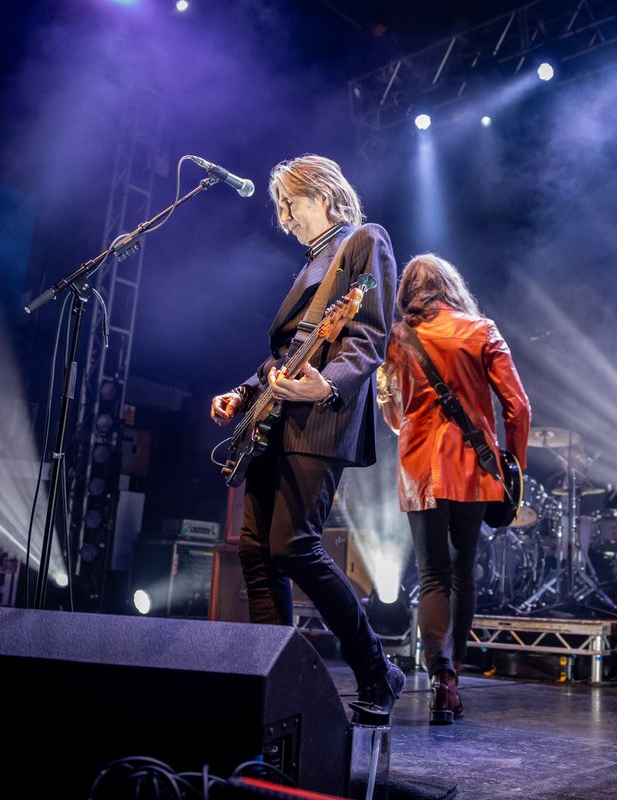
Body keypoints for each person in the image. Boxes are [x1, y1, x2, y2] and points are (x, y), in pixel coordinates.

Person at [210, 154, 405, 715]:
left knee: (292, 544)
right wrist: (243, 391)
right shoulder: (309, 266)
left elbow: (369, 335)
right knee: (254, 549)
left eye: (289, 204)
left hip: (322, 416)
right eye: (279, 208)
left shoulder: (365, 240)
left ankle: (376, 672)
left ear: (323, 195)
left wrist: (326, 386)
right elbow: (285, 353)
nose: (284, 219)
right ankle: (277, 689)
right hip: (273, 417)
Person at [376, 254, 531, 724]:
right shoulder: (481, 329)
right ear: (450, 286)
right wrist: (514, 467)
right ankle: (453, 684)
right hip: (472, 468)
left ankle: (438, 679)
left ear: (407, 291)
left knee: (432, 577)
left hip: (419, 468)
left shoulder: (395, 338)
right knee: (462, 573)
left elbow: (392, 414)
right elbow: (518, 408)